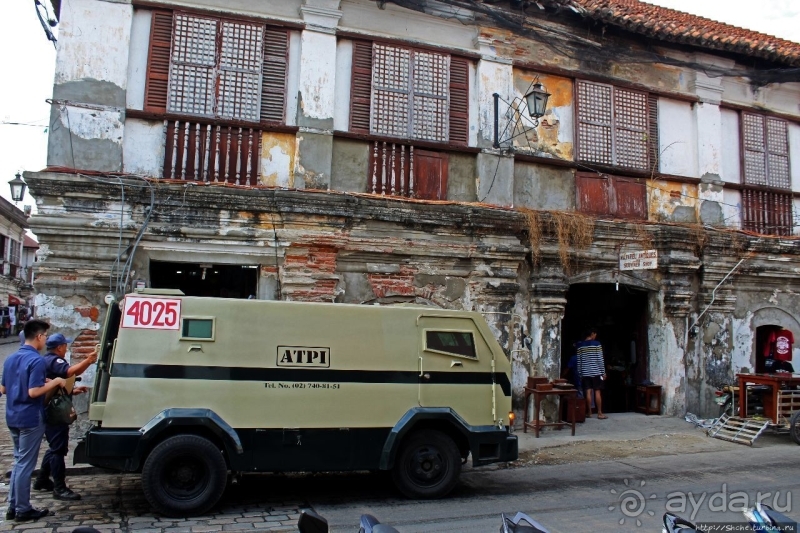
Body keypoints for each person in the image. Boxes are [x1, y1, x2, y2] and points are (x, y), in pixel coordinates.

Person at [1, 319, 66, 522]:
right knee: (25, 465)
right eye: (45, 336)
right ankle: (22, 508)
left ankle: (13, 506)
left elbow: (3, 388)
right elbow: (33, 391)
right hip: (30, 417)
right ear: (38, 336)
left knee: (19, 461)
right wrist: (55, 381)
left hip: (12, 414)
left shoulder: (11, 358)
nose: (45, 340)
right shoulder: (36, 360)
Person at [33, 333, 98, 500]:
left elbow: (58, 385)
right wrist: (88, 361)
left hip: (50, 408)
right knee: (58, 449)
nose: (66, 348)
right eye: (65, 346)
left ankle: (41, 480)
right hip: (55, 412)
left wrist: (73, 391)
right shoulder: (55, 360)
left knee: (54, 446)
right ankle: (60, 488)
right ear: (60, 347)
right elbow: (69, 372)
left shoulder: (46, 360)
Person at [576, 328, 607, 420]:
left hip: (585, 373)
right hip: (596, 372)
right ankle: (599, 413)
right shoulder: (597, 344)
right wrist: (603, 372)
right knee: (597, 391)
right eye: (595, 334)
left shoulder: (580, 346)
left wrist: (580, 374)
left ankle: (589, 412)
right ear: (592, 334)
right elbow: (600, 360)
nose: (595, 336)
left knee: (588, 392)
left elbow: (579, 362)